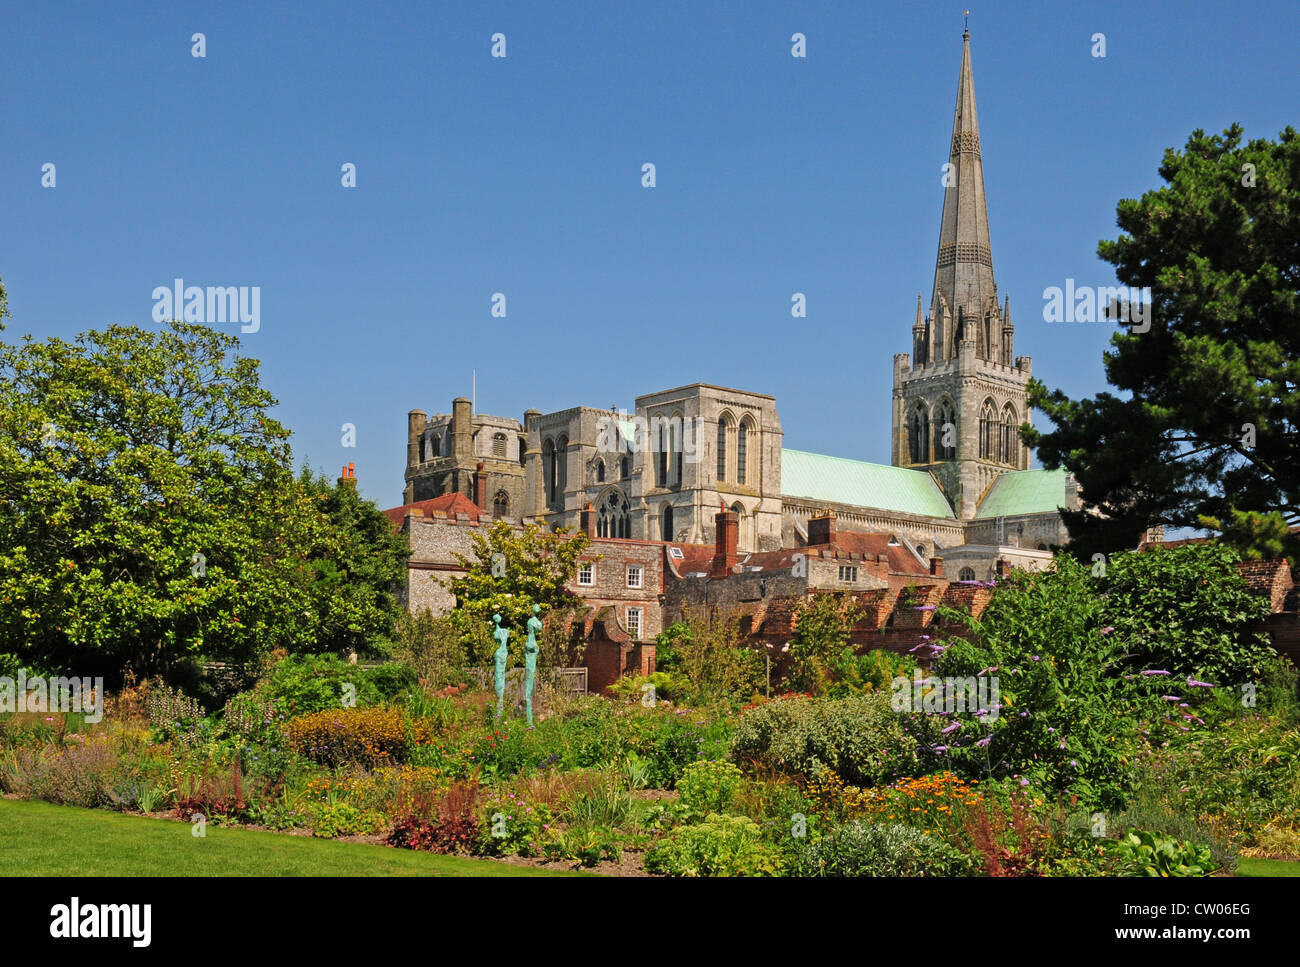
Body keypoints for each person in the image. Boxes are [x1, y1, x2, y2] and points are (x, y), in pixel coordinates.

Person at [524, 604, 542, 727]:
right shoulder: (535, 622)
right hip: (532, 646)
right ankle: (529, 721)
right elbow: (539, 628)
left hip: (531, 646)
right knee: (529, 682)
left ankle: (529, 720)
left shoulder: (531, 621)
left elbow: (538, 628)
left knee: (529, 682)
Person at [491, 613, 510, 719]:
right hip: (501, 654)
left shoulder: (500, 631)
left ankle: (499, 709)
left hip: (501, 654)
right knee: (499, 679)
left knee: (500, 679)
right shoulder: (503, 631)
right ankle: (499, 708)